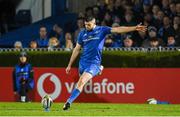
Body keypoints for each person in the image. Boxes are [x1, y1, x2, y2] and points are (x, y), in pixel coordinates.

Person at [63, 16, 147, 110]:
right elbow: (77, 49)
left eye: (89, 25)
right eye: (85, 24)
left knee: (81, 81)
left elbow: (118, 29)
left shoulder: (102, 30)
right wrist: (69, 65)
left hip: (93, 63)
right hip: (82, 63)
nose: (87, 26)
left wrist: (134, 28)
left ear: (94, 23)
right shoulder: (82, 33)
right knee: (81, 83)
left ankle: (68, 102)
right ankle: (99, 69)